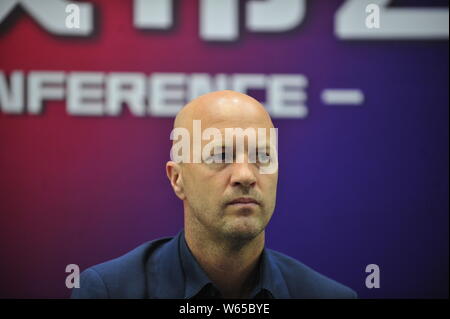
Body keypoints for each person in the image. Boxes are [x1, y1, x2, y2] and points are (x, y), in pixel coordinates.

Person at [71, 90, 356, 299]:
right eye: (220, 155)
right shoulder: (109, 291)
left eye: (263, 157)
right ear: (177, 178)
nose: (245, 175)